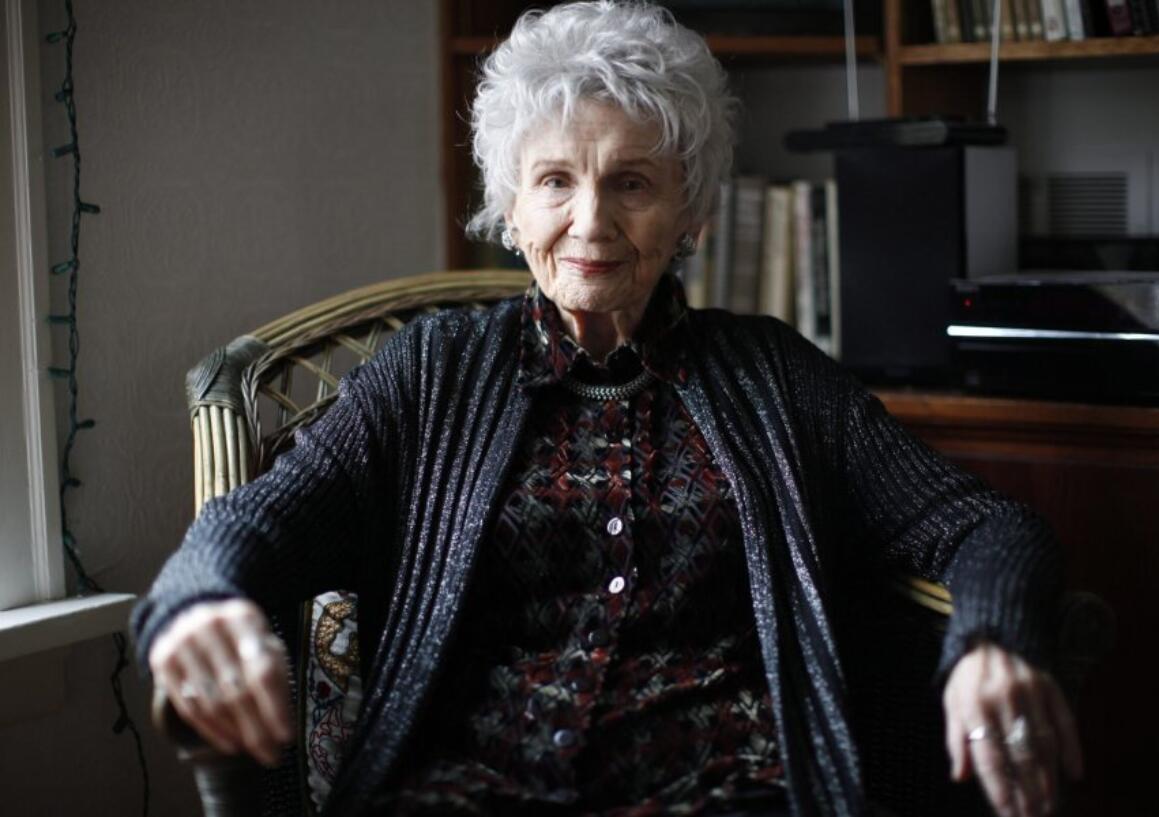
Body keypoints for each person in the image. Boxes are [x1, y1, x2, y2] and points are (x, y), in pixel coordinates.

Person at [132, 3, 1082, 816]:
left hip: (729, 790)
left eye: (632, 182)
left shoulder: (776, 377)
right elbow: (253, 526)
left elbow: (984, 525)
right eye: (554, 181)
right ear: (512, 207)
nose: (590, 222)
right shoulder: (430, 376)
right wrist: (196, 602)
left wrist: (991, 638)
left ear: (693, 211)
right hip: (465, 791)